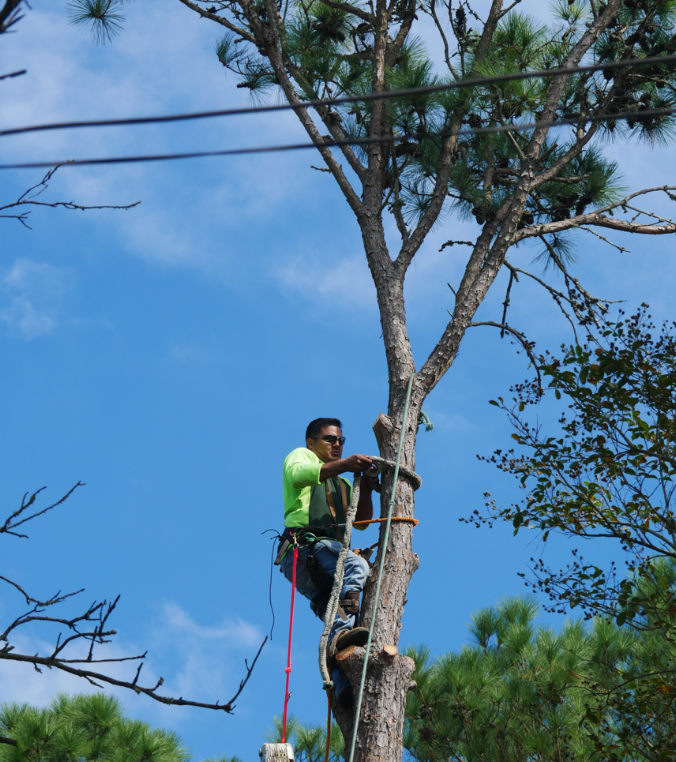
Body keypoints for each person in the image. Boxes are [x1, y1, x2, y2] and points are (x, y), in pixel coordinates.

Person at [278, 417, 377, 707]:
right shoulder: (301, 455)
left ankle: (344, 684)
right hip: (305, 550)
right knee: (358, 566)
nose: (337, 445)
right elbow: (298, 476)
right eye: (330, 439)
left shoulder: (342, 484)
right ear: (312, 442)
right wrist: (347, 463)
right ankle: (340, 637)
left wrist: (369, 486)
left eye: (341, 441)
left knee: (340, 616)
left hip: (322, 562)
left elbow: (361, 522)